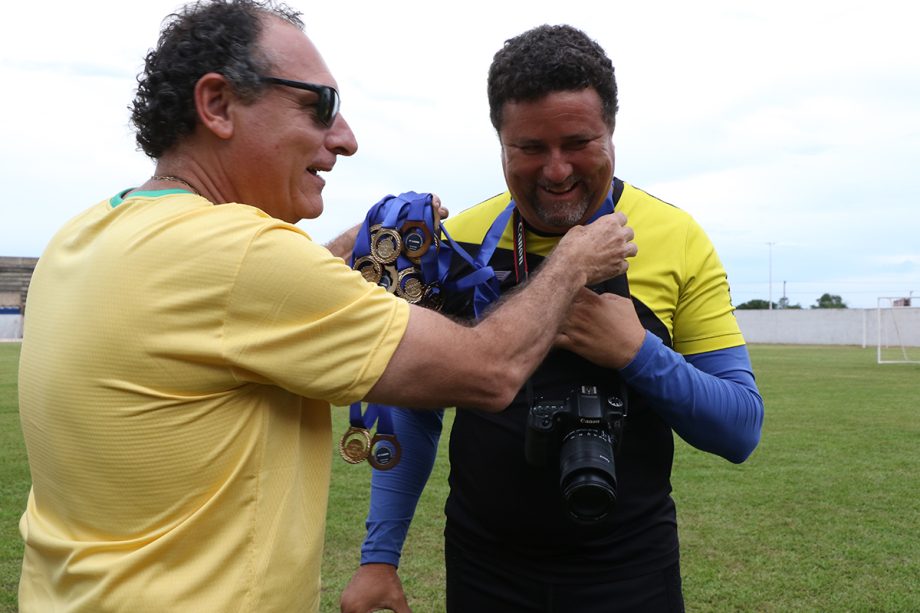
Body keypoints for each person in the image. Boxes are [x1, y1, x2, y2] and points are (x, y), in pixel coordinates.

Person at [16, 6, 637, 612]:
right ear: (218, 105)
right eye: (320, 107)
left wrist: (354, 250)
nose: (345, 139)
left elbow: (232, 316)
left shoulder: (85, 233)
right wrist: (574, 261)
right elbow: (489, 369)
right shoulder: (245, 259)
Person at [341, 24, 765, 613]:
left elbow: (741, 428)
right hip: (484, 564)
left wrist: (636, 352)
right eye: (531, 148)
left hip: (631, 568)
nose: (557, 170)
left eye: (578, 142)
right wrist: (378, 558)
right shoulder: (460, 241)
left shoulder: (678, 238)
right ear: (501, 144)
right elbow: (414, 416)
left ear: (611, 132)